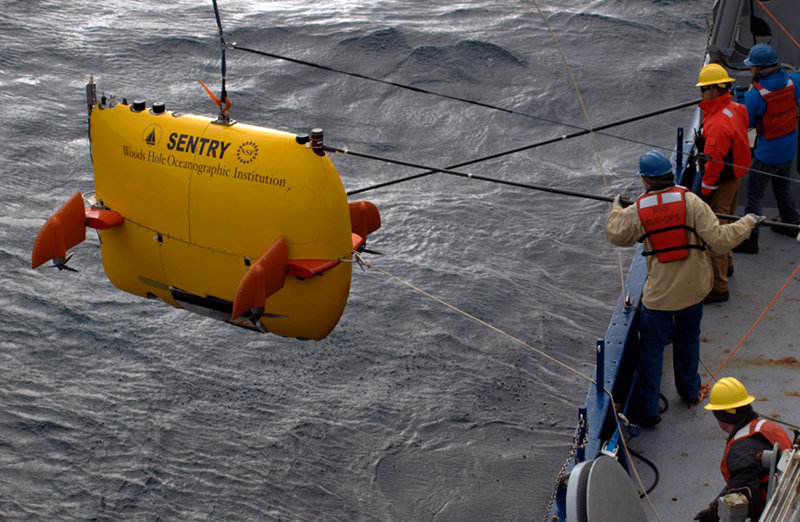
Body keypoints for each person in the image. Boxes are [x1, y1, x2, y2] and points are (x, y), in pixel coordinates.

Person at [607, 150, 761, 427]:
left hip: (660, 296)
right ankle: (691, 392)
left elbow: (616, 235)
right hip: (694, 290)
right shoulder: (692, 202)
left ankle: (649, 409)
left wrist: (616, 207)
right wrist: (748, 222)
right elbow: (721, 241)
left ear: (645, 181)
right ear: (669, 175)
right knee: (689, 338)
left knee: (652, 349)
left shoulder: (638, 209)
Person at [693, 377, 793, 522]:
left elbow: (744, 503)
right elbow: (743, 477)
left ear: (719, 415)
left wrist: (717, 516)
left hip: (776, 511)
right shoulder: (769, 427)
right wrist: (715, 505)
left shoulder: (738, 451)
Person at [694, 63, 752, 303]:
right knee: (727, 220)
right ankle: (727, 265)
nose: (701, 95)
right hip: (736, 176)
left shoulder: (716, 124)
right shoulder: (737, 108)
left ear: (714, 91)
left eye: (703, 90)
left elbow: (714, 163)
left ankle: (719, 287)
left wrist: (705, 191)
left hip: (720, 182)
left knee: (715, 234)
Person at [735, 43, 800, 254]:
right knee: (782, 186)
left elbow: (746, 122)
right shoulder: (793, 82)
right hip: (789, 148)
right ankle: (791, 223)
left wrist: (740, 101)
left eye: (752, 66)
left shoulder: (756, 95)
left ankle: (751, 238)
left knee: (754, 193)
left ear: (760, 69)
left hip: (767, 153)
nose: (751, 69)